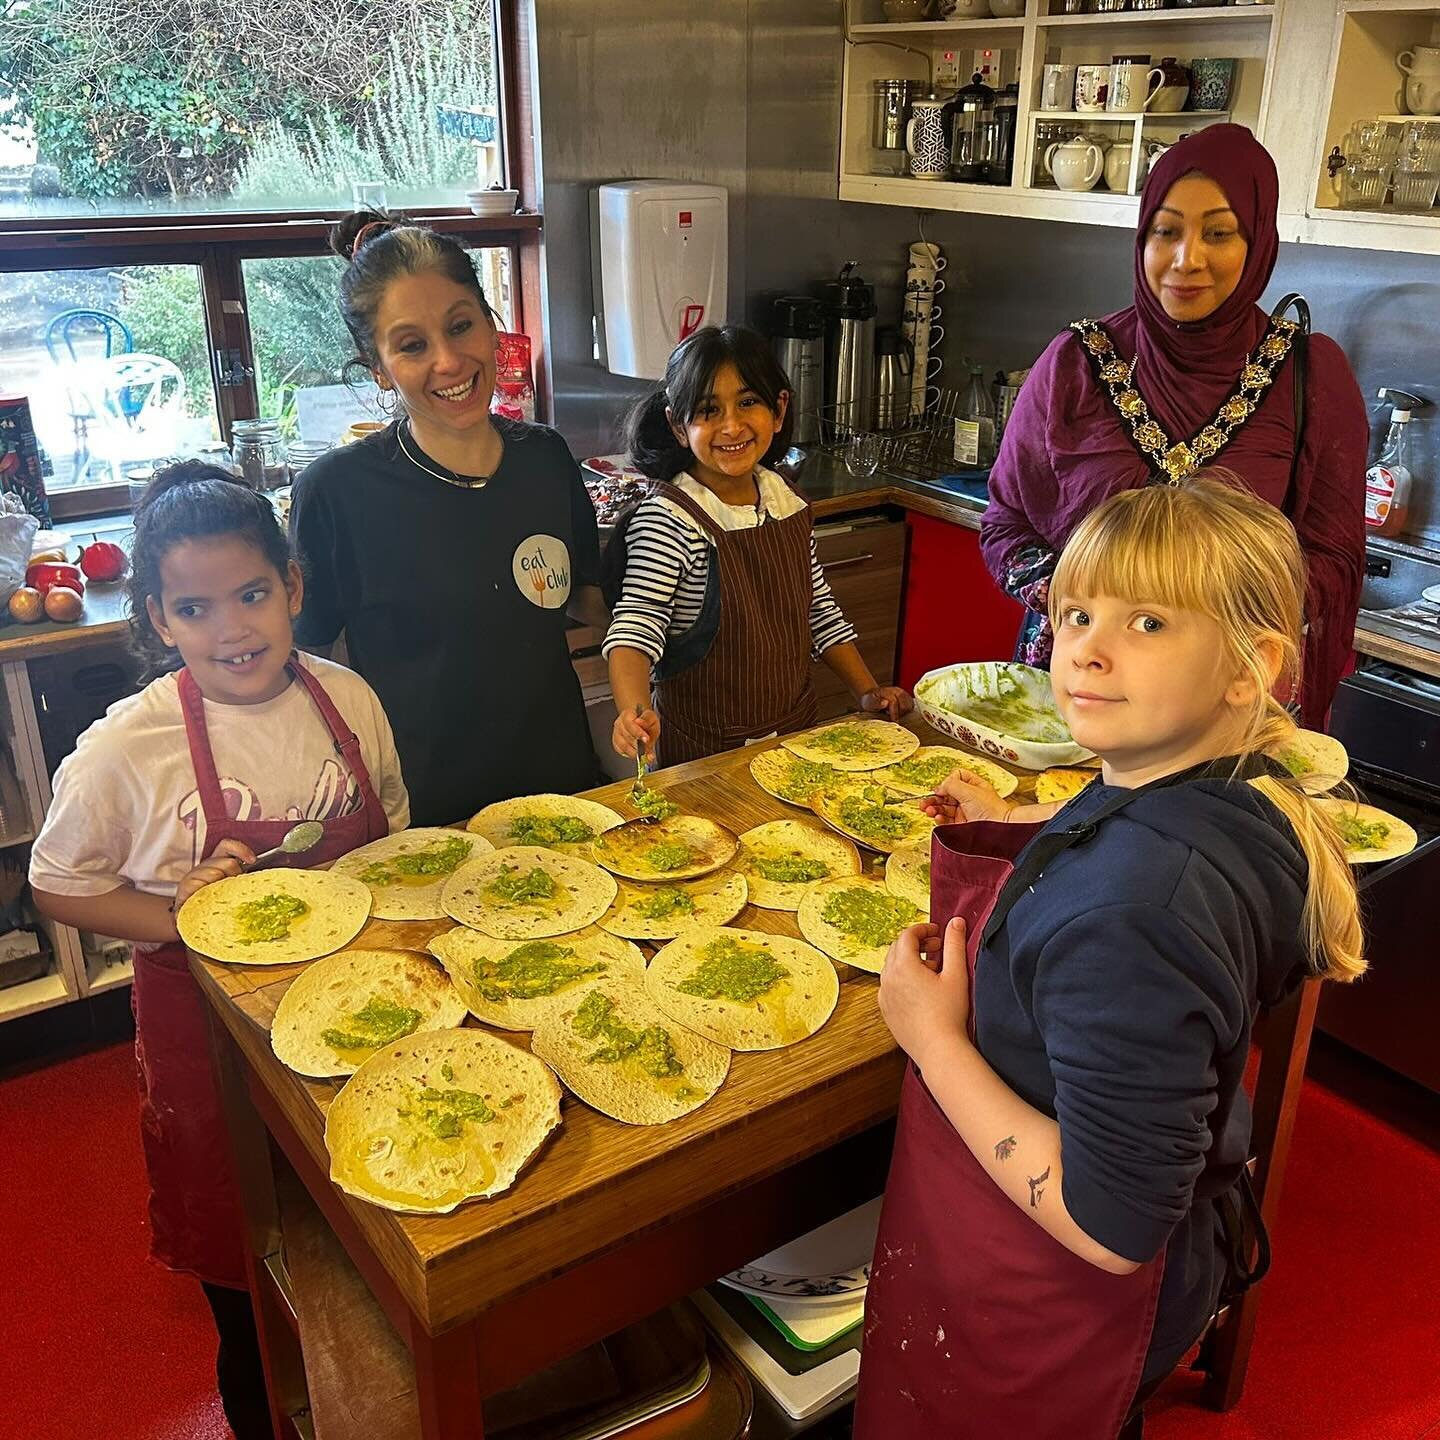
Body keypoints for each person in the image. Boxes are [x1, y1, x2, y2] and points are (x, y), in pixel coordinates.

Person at [855, 474, 1365, 1440]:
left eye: (1147, 624)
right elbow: (1122, 815)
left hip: (1066, 1299)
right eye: (1078, 610)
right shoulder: (1213, 784)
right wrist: (1020, 819)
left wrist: (932, 1041)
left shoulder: (1137, 914)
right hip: (1153, 1247)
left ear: (1249, 666)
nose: (1083, 646)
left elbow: (1112, 1226)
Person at [29, 463, 409, 1440]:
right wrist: (176, 915)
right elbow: (57, 882)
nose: (230, 629)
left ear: (293, 587)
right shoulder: (129, 747)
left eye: (250, 595)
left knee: (366, 1232)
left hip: (355, 1010)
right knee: (249, 1270)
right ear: (159, 620)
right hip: (209, 1043)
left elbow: (397, 834)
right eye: (194, 608)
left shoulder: (348, 700)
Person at [981, 125, 1367, 727]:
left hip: (1226, 706)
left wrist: (1211, 621)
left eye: (1218, 232)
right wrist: (1080, 606)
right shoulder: (1075, 364)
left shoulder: (1310, 375)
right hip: (1083, 700)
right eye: (1166, 231)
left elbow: (1334, 557)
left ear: (1258, 240)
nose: (1188, 260)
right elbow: (1005, 523)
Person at [290, 212, 605, 824]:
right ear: (378, 367)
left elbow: (583, 600)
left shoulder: (545, 459)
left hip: (564, 794)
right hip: (423, 818)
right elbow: (308, 666)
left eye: (461, 327)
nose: (449, 361)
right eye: (412, 345)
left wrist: (685, 589)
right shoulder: (335, 492)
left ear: (491, 327)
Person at [603, 325, 910, 766]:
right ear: (677, 425)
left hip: (795, 731)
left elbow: (818, 610)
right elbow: (635, 628)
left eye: (748, 403)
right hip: (706, 752)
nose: (732, 425)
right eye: (708, 410)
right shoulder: (671, 520)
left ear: (779, 409)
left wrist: (865, 690)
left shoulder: (786, 502)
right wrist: (635, 712)